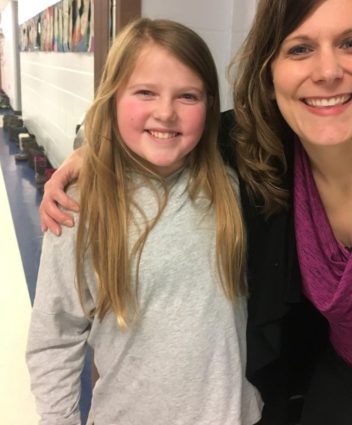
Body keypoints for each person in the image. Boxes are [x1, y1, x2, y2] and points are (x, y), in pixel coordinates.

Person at [39, 0, 352, 424]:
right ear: (270, 72)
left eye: (351, 42)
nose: (327, 71)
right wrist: (94, 155)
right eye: (300, 49)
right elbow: (170, 136)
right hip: (339, 387)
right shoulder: (262, 155)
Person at [26, 17, 263, 425]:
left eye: (187, 96)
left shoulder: (235, 182)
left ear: (209, 104)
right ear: (113, 97)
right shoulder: (79, 207)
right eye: (145, 93)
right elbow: (55, 339)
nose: (166, 112)